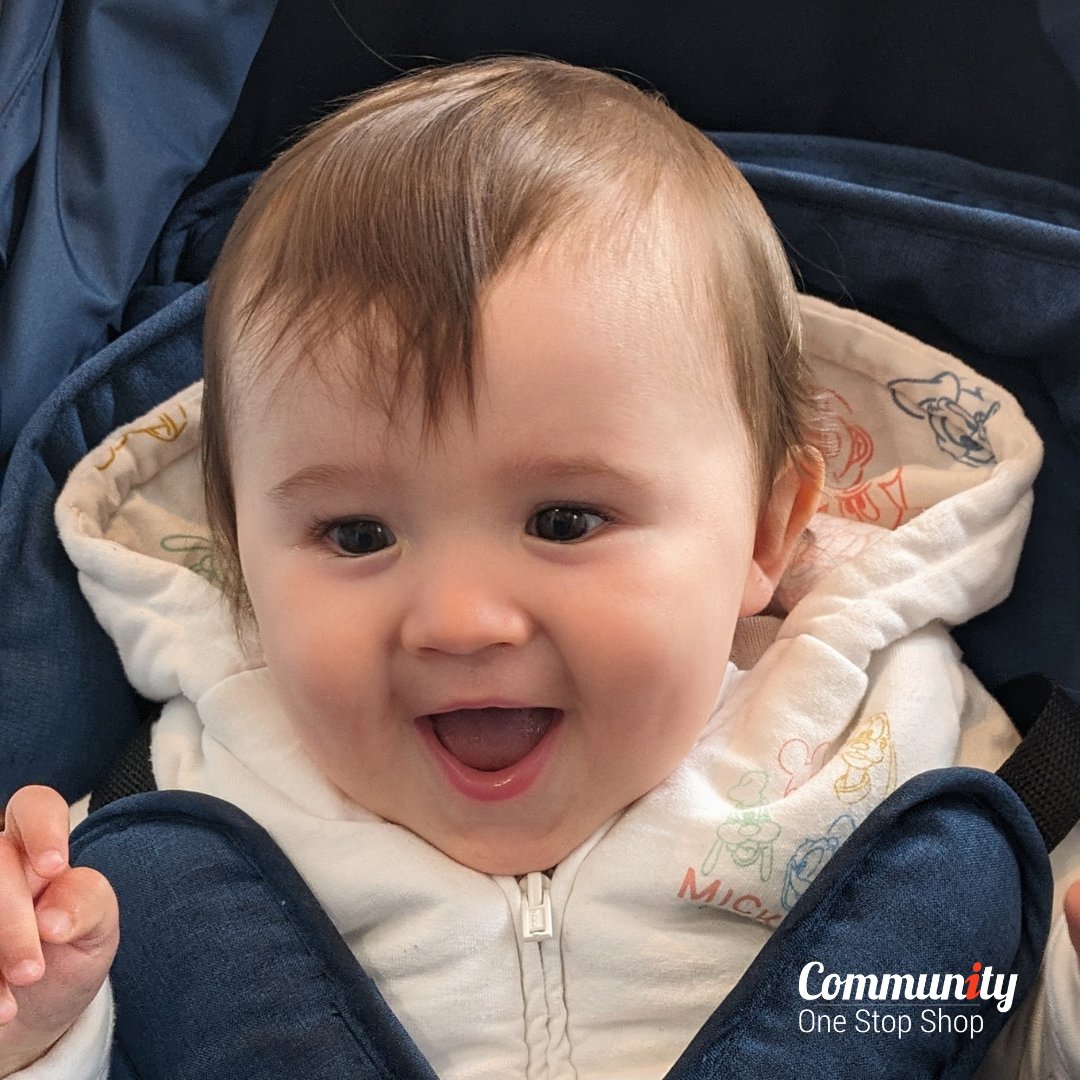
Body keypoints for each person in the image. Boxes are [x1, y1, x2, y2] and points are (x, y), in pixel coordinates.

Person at [0, 56, 1077, 1078]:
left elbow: (995, 1037)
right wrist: (42, 1028)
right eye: (357, 536)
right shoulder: (190, 789)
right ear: (240, 557)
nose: (461, 621)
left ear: (763, 536)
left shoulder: (888, 741)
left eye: (564, 519)